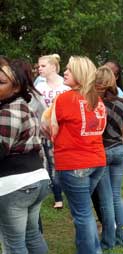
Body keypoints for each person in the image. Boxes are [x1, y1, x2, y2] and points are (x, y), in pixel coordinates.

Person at [47, 56, 107, 254]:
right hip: (97, 161)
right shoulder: (97, 100)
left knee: (82, 214)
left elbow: (49, 128)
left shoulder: (65, 99)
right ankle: (92, 247)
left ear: (79, 75)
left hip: (74, 164)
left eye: (69, 70)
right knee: (84, 212)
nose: (65, 72)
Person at [0, 60, 50, 254]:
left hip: (14, 186)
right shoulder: (24, 106)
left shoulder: (7, 112)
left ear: (17, 87)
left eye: (1, 82)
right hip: (36, 180)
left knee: (13, 245)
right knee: (32, 235)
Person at [94, 66, 123, 249]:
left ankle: (108, 241)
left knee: (106, 200)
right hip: (118, 150)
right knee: (117, 197)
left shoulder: (97, 104)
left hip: (103, 151)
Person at [35, 54, 70, 209]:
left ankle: (70, 192)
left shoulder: (66, 85)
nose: (39, 69)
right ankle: (58, 197)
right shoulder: (39, 87)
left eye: (43, 66)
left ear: (53, 67)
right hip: (46, 133)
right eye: (38, 66)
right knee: (50, 165)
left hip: (66, 133)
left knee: (65, 164)